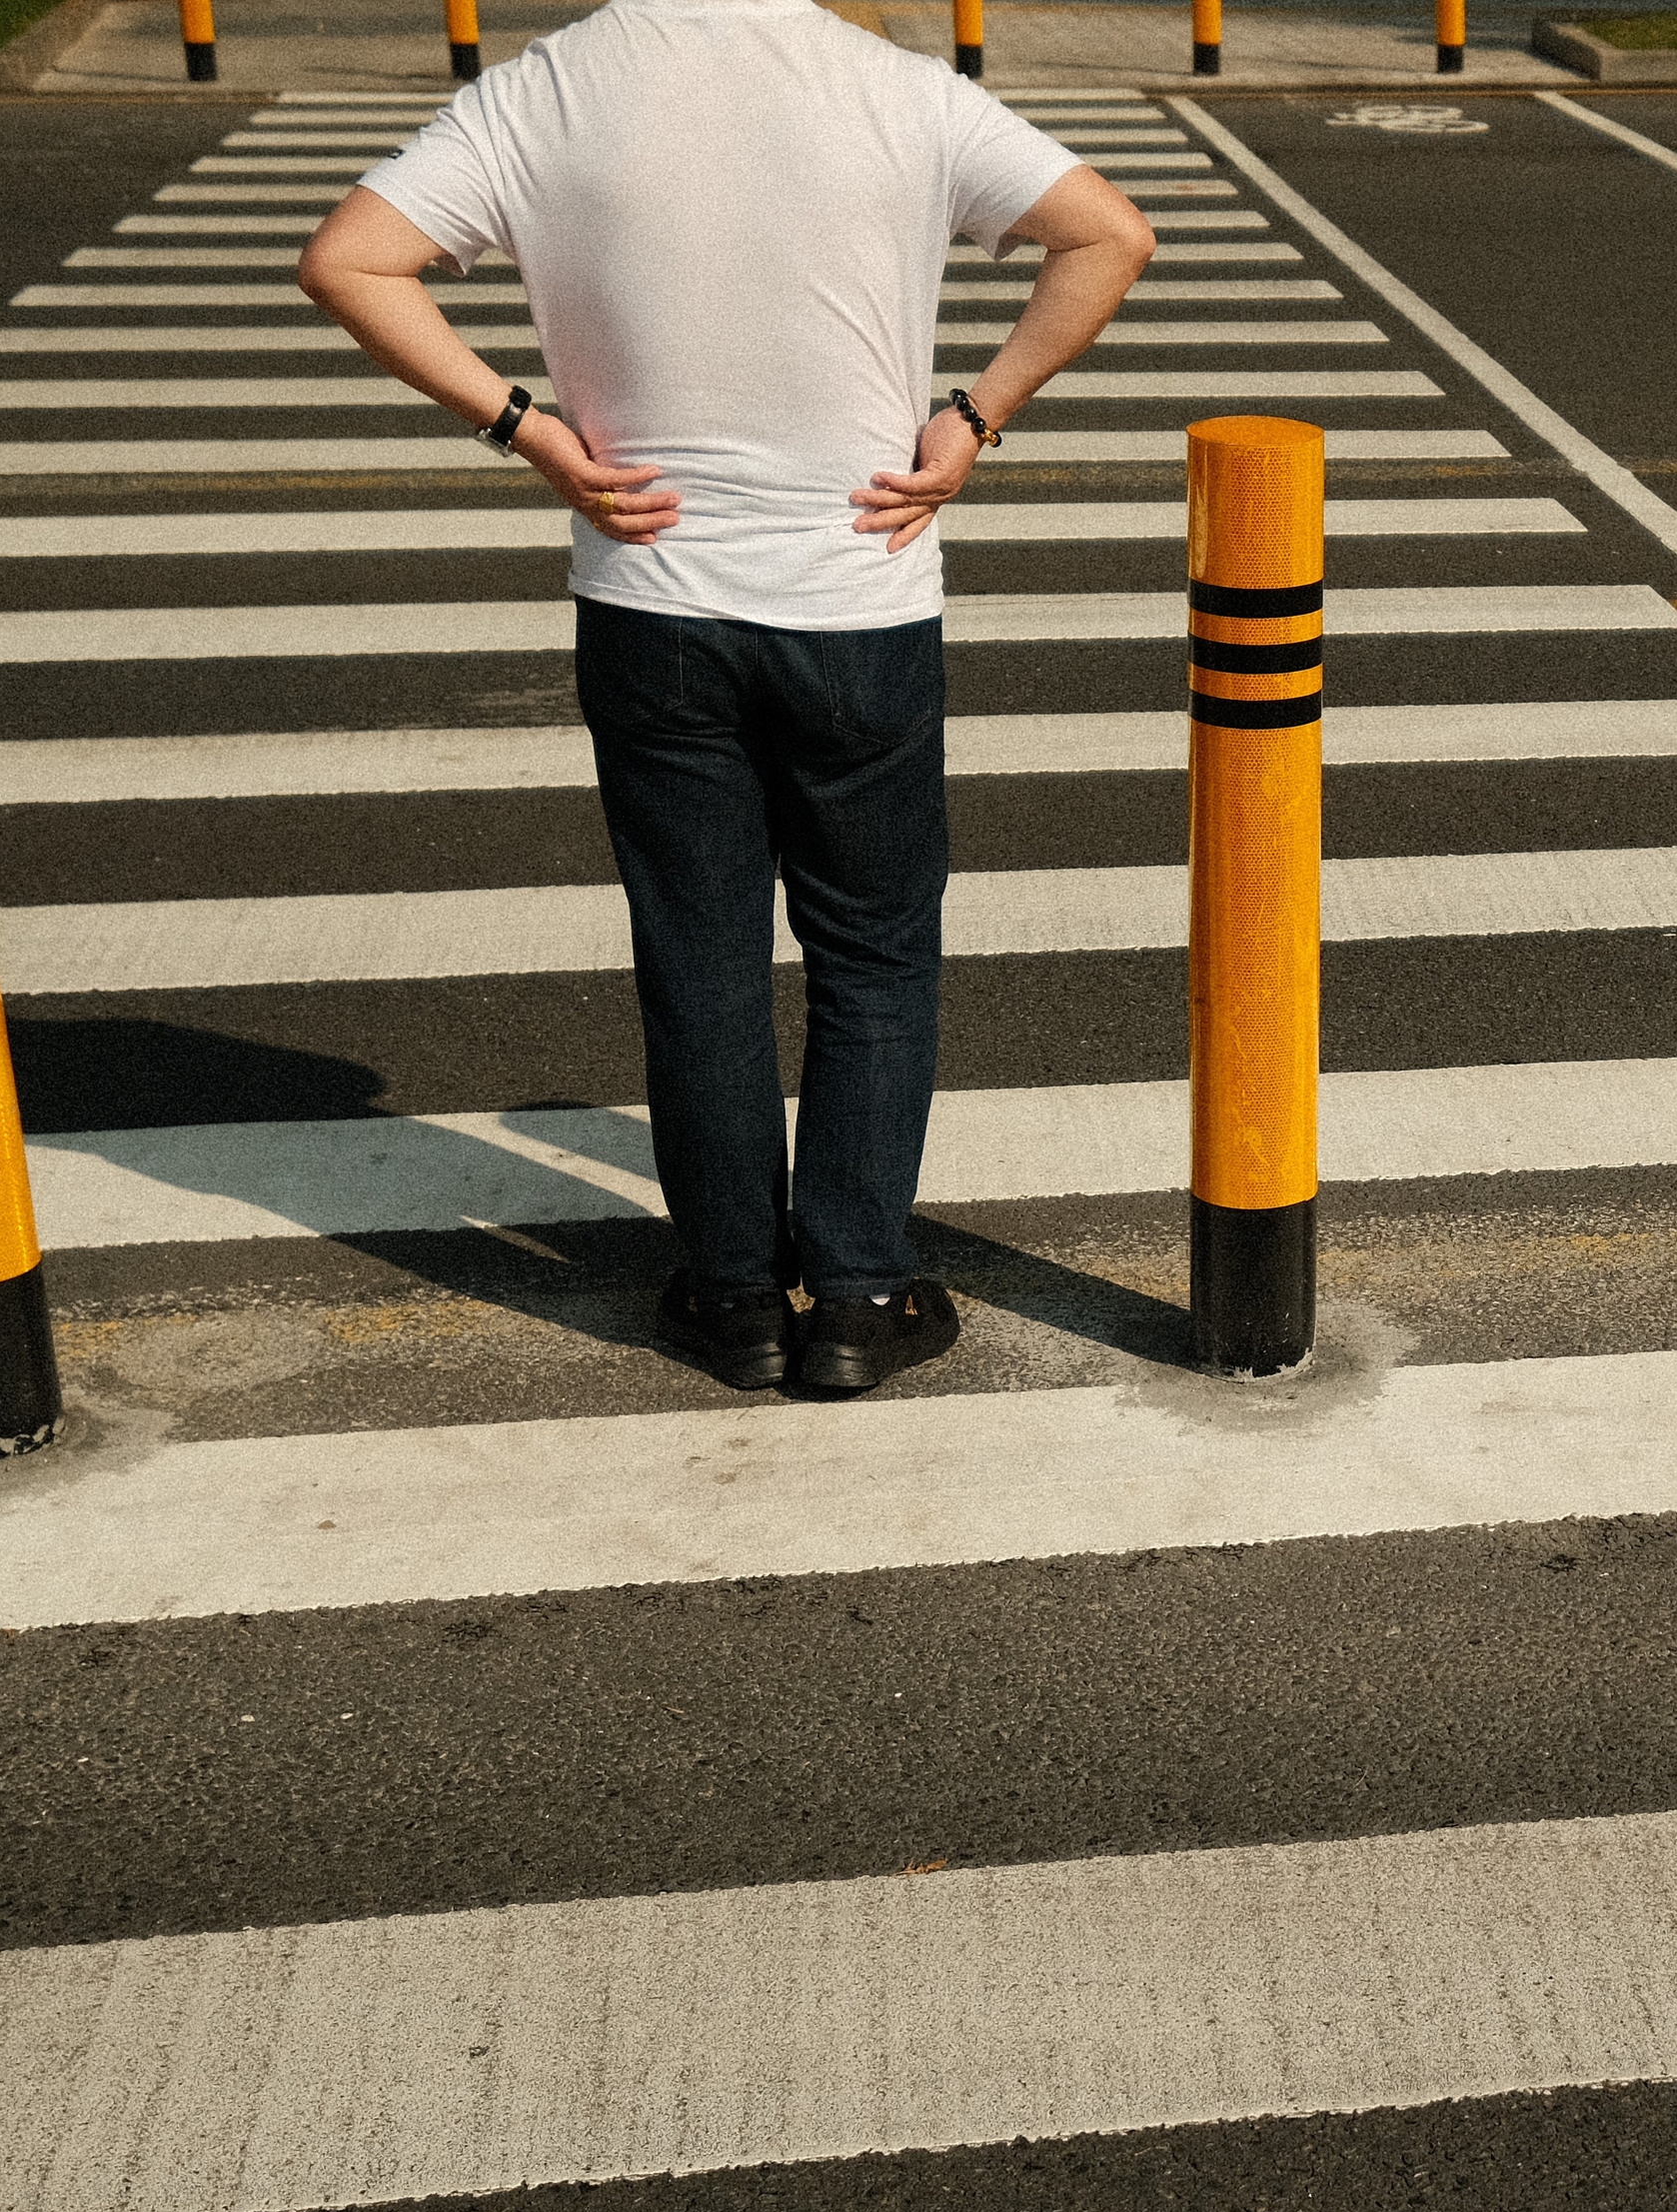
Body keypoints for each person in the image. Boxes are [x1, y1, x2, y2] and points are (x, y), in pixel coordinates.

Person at [300, 0, 1154, 1393]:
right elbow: (1111, 232)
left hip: (654, 603)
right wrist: (976, 415)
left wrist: (528, 431)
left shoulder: (549, 89)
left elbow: (348, 259)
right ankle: (862, 1297)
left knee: (699, 962)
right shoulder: (898, 89)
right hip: (860, 596)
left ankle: (736, 1297)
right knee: (874, 954)